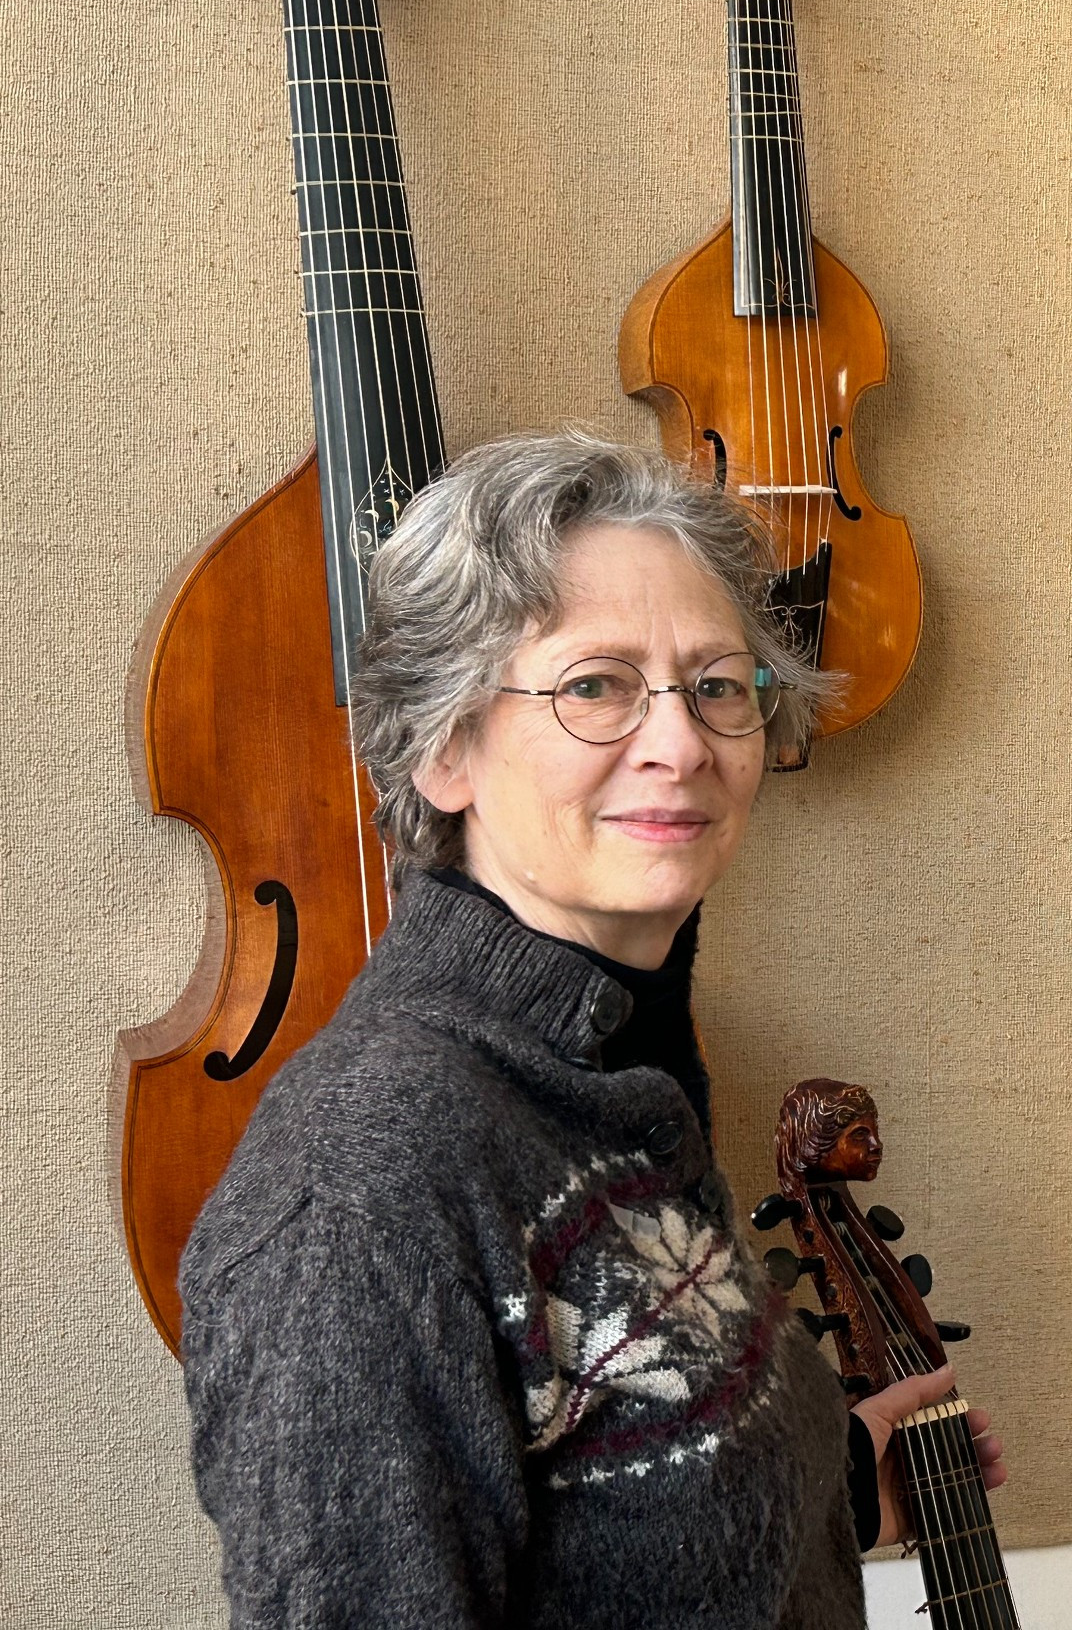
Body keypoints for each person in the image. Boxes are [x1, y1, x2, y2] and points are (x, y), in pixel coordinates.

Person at [179, 431, 1003, 1628]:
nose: (679, 744)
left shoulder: (623, 1060)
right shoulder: (363, 1188)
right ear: (445, 745)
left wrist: (820, 1486)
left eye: (718, 684)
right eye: (595, 685)